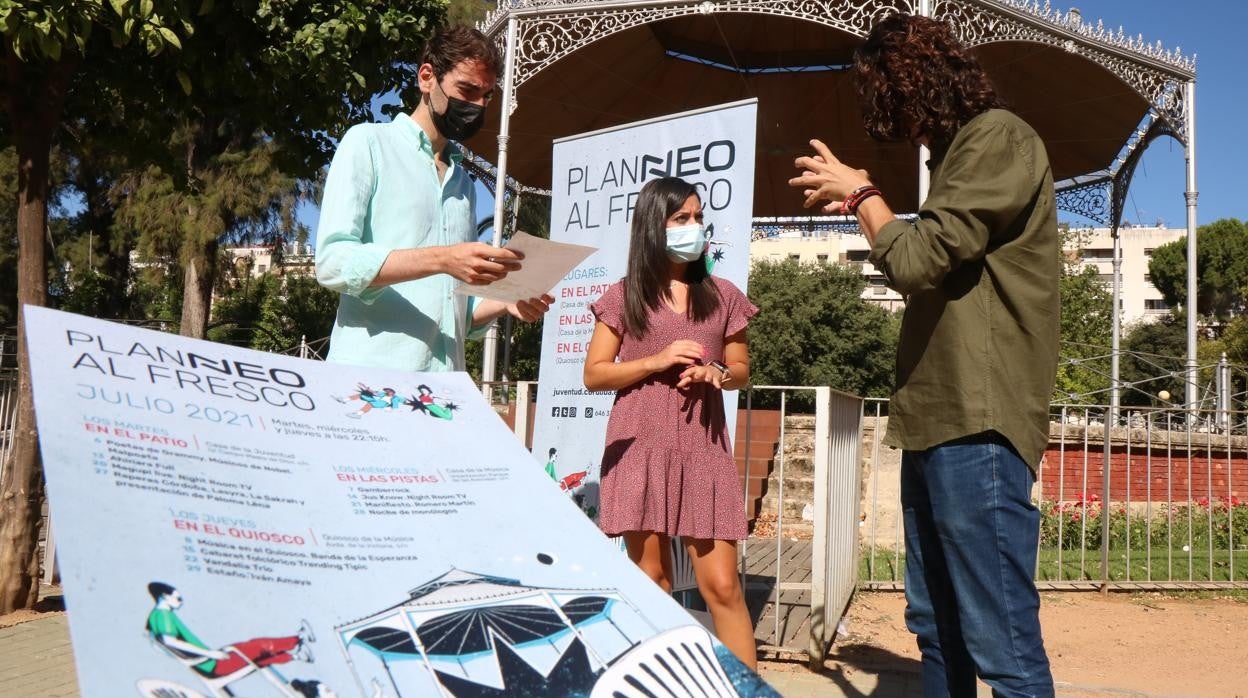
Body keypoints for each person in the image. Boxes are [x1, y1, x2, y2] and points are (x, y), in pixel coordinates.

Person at [789, 13, 1058, 697]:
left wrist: (862, 195)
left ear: (920, 86)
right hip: (937, 420)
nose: (898, 123)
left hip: (979, 420)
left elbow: (915, 260)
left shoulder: (998, 139)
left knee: (1000, 642)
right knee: (938, 630)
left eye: (893, 102)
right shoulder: (958, 156)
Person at [582, 177, 758, 670]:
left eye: (698, 218)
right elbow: (594, 374)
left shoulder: (722, 294)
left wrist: (716, 373)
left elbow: (740, 370)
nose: (693, 227)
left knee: (722, 586)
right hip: (639, 443)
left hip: (703, 446)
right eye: (681, 219)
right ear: (652, 226)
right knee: (652, 581)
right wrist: (655, 360)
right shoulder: (623, 296)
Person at [315, 26, 553, 372]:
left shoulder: (464, 184)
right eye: (466, 89)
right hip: (371, 382)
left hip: (444, 390)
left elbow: (459, 314)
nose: (476, 106)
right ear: (427, 77)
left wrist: (505, 301)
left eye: (485, 96)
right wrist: (443, 259)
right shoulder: (368, 142)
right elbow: (333, 262)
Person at [145, 582, 315, 678]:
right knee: (259, 646)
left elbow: (161, 644)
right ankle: (298, 639)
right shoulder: (164, 615)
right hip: (212, 663)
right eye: (178, 598)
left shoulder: (156, 615)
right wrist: (211, 654)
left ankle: (297, 654)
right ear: (165, 597)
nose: (181, 602)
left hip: (208, 664)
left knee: (253, 651)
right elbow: (169, 641)